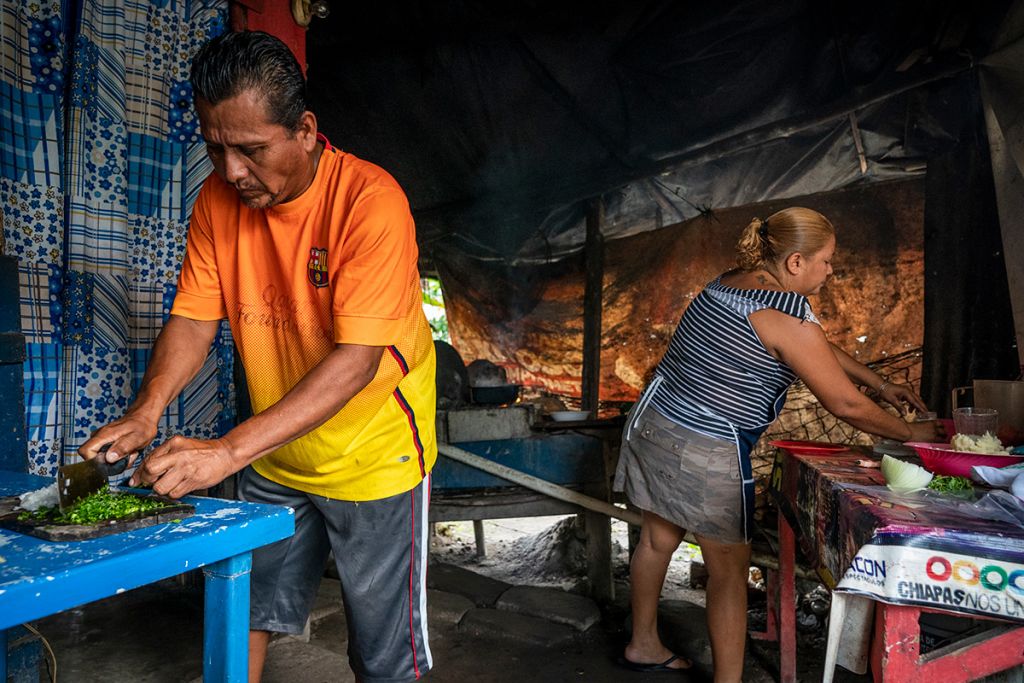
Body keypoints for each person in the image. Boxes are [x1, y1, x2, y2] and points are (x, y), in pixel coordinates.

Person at [79, 31, 436, 683]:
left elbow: (356, 360)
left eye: (250, 150)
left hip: (373, 459)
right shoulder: (217, 201)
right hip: (274, 449)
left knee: (383, 657)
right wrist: (146, 411)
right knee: (243, 610)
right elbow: (193, 316)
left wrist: (228, 450)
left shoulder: (369, 202)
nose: (232, 171)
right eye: (216, 149)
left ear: (304, 130)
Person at [614, 207, 940, 682]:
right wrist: (914, 433)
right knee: (728, 572)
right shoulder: (784, 315)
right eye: (825, 260)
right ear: (794, 262)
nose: (831, 269)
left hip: (656, 421)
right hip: (705, 445)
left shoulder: (732, 281)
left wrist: (878, 382)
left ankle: (643, 642)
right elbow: (845, 406)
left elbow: (814, 345)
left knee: (659, 539)